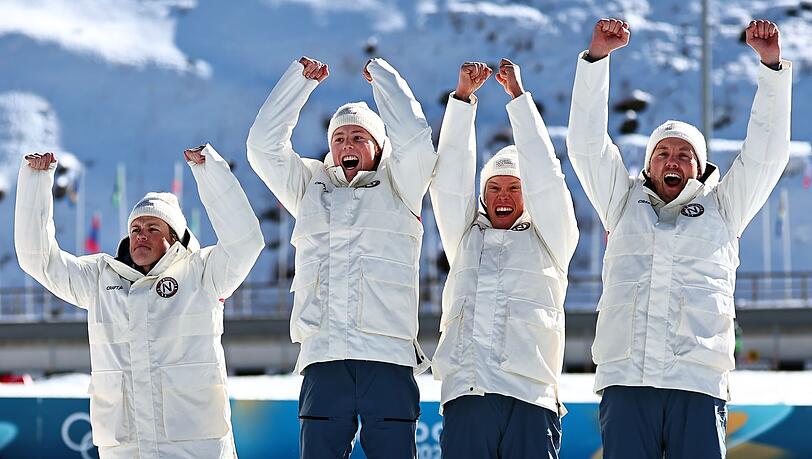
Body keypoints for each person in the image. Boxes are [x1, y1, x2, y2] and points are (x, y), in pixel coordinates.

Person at [567, 18, 791, 458]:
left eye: (684, 155)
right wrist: (596, 60)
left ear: (701, 166)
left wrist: (771, 68)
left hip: (697, 382)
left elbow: (766, 154)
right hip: (627, 381)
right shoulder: (620, 201)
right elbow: (587, 146)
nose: (673, 161)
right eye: (663, 153)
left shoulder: (726, 207)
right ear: (648, 165)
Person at [15, 145, 264, 458]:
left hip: (195, 444)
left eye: (152, 228)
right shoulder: (99, 278)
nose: (140, 235)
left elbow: (247, 242)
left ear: (174, 237)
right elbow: (37, 259)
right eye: (135, 229)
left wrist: (210, 173)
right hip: (126, 446)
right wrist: (36, 183)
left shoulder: (204, 273)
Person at [246, 56, 436, 459]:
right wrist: (298, 83)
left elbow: (417, 140)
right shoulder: (309, 187)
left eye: (358, 137)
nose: (347, 145)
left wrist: (384, 80)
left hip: (386, 355)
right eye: (339, 139)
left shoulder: (403, 185)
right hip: (324, 356)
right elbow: (262, 147)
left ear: (379, 146)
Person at [430, 59, 578, 459]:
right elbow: (448, 182)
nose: (503, 196)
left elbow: (547, 177)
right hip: (468, 392)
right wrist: (462, 101)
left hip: (530, 396)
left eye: (515, 187)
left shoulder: (551, 239)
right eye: (493, 187)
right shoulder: (464, 237)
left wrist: (518, 100)